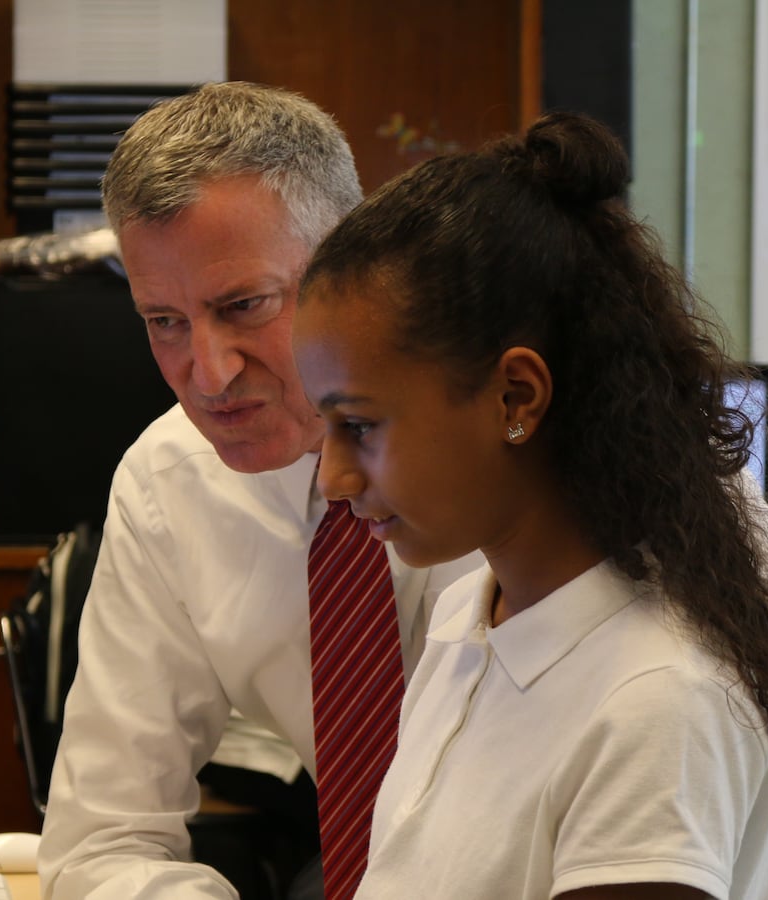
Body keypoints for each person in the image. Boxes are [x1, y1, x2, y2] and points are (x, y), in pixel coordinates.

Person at [291, 112, 768, 900]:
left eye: (359, 426)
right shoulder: (472, 617)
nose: (332, 477)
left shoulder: (655, 702)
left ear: (516, 395)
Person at [36, 82, 485, 900]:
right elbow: (100, 841)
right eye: (163, 321)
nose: (206, 374)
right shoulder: (170, 482)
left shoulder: (506, 438)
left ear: (353, 261)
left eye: (244, 305)